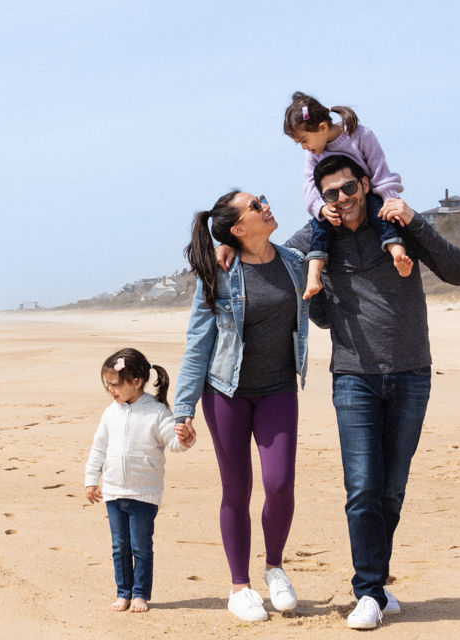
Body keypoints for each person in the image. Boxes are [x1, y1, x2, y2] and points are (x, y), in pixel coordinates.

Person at [287, 154, 460, 629]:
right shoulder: (314, 236)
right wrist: (225, 245)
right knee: (363, 485)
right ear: (320, 199)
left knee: (391, 488)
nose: (343, 200)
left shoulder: (396, 223)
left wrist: (414, 219)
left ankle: (375, 581)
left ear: (365, 183)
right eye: (331, 194)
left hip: (412, 372)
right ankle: (367, 592)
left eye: (349, 188)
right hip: (353, 376)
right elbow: (268, 261)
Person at [172, 191, 310, 623]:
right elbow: (199, 342)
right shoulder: (219, 273)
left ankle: (274, 567)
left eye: (263, 199)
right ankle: (239, 587)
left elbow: (322, 227)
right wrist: (183, 408)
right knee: (237, 489)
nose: (266, 205)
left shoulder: (293, 260)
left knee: (280, 483)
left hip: (278, 389)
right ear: (237, 229)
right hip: (225, 392)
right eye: (256, 205)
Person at [84, 348, 193, 614]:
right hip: (113, 492)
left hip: (144, 494)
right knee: (119, 547)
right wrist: (91, 479)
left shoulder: (157, 413)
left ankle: (141, 594)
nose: (111, 390)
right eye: (107, 384)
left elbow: (174, 442)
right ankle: (123, 593)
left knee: (141, 547)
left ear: (136, 381)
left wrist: (185, 437)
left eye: (115, 384)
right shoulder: (111, 412)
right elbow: (98, 447)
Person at [284, 92, 412, 299]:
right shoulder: (313, 154)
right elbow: (308, 185)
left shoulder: (361, 135)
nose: (304, 147)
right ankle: (314, 276)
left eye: (304, 140)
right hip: (332, 202)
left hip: (365, 194)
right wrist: (320, 207)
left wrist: (390, 200)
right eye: (298, 143)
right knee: (320, 226)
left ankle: (398, 255)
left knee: (381, 215)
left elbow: (380, 170)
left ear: (322, 128)